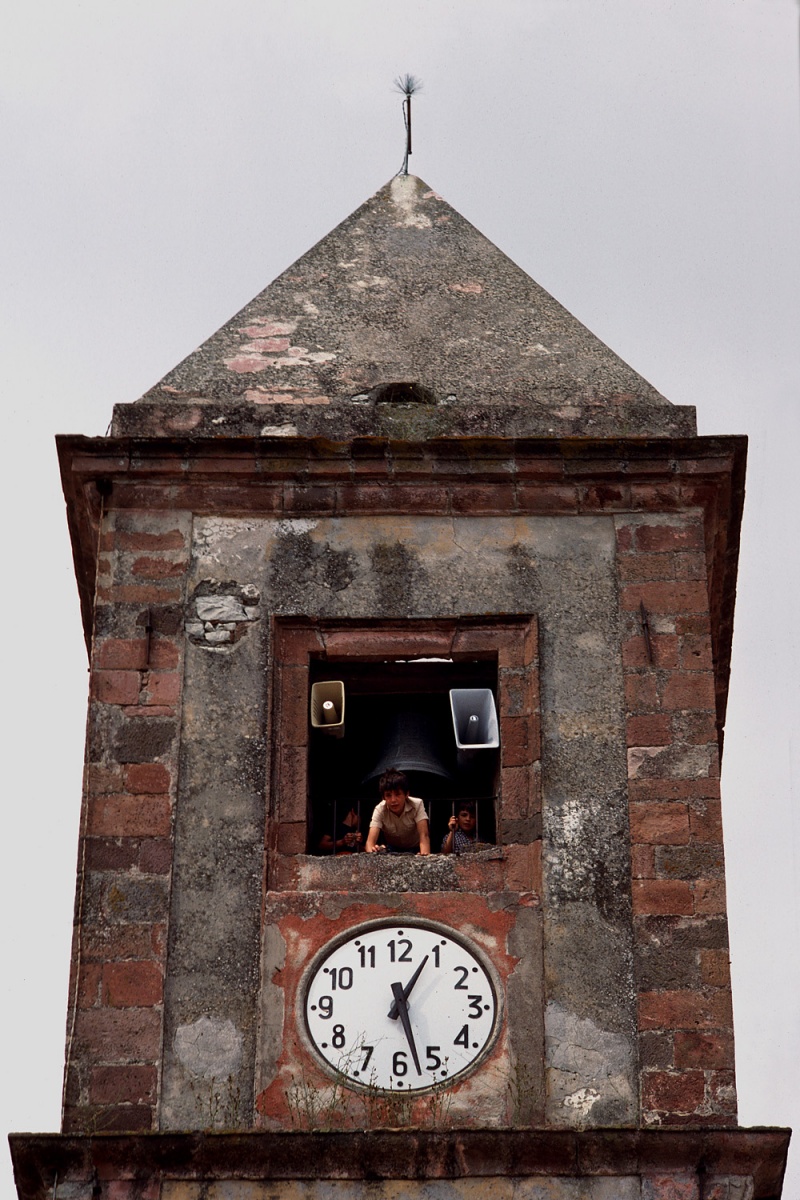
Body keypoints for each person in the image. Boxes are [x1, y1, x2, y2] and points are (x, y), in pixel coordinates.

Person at [365, 768, 431, 855]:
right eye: (388, 795)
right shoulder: (379, 809)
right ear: (383, 797)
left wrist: (424, 857)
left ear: (406, 794)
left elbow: (424, 835)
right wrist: (372, 853)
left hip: (415, 848)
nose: (393, 800)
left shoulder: (417, 804)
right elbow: (370, 842)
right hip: (392, 850)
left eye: (397, 794)